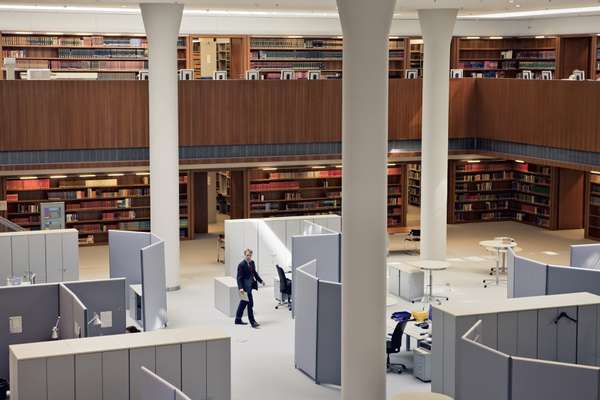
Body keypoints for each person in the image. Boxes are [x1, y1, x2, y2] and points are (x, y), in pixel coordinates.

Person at [235, 248, 265, 328]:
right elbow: (239, 278)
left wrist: (261, 281)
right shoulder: (241, 265)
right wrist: (240, 288)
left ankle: (238, 319)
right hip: (244, 288)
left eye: (250, 255)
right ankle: (253, 322)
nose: (249, 257)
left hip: (250, 286)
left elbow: (255, 273)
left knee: (243, 303)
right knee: (250, 304)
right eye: (247, 255)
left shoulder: (252, 263)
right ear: (245, 255)